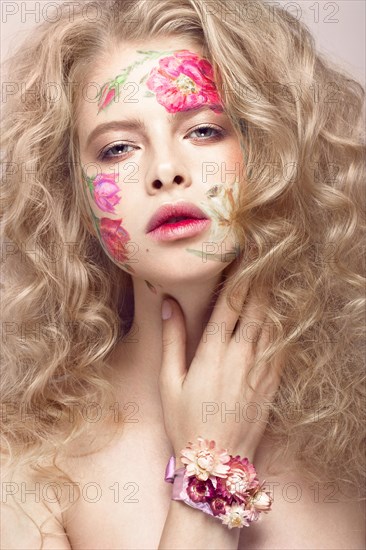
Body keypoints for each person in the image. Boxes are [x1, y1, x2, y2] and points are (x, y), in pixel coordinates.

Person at [1, 0, 365, 548]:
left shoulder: (354, 416)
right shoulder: (31, 460)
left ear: (273, 148)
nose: (166, 171)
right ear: (70, 196)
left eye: (203, 130)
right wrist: (211, 465)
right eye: (118, 147)